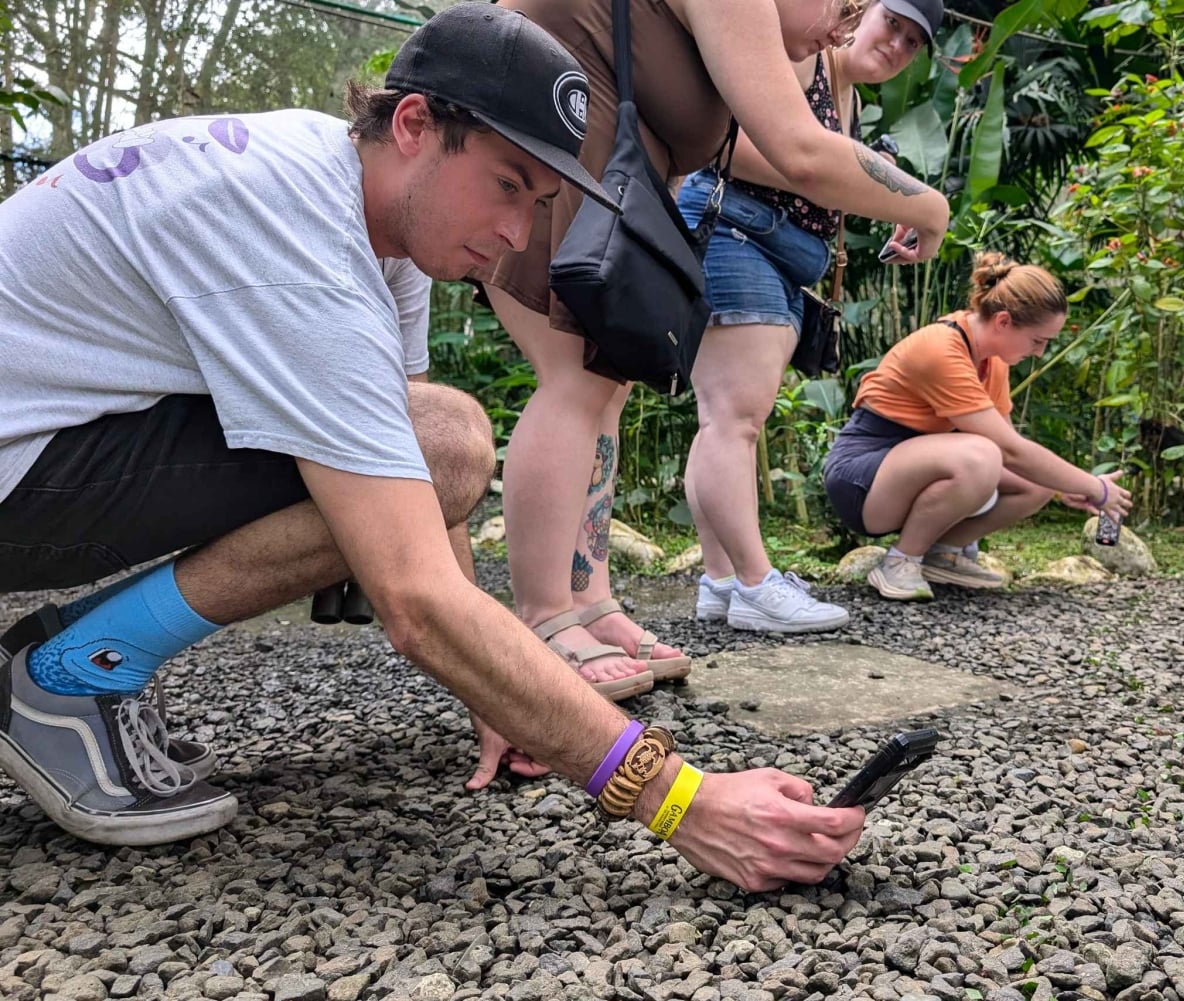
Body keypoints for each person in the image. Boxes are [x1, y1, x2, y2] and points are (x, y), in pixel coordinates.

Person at [0, 5, 863, 892]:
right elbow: (413, 596)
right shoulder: (292, 231)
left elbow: (423, 473)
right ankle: (70, 671)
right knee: (438, 446)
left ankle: (87, 652)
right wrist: (681, 799)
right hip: (18, 469)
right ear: (415, 124)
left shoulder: (369, 212)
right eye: (507, 184)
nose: (518, 235)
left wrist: (494, 685)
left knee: (445, 438)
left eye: (538, 203)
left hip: (62, 440)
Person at [464, 0, 952, 784]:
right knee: (575, 381)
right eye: (844, 7)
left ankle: (588, 599)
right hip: (543, 152)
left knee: (604, 388)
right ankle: (544, 614)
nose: (842, 30)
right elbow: (796, 149)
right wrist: (928, 202)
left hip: (596, 167)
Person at [676, 0, 941, 634]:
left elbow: (821, 169)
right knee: (733, 419)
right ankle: (755, 583)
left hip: (776, 252)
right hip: (736, 230)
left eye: (912, 42)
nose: (896, 44)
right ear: (858, 13)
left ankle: (722, 580)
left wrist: (858, 180)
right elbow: (726, 143)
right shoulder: (801, 58)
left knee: (723, 420)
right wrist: (843, 178)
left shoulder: (850, 100)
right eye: (891, 23)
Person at [822, 253, 1134, 600]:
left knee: (1037, 483)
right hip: (862, 481)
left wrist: (1064, 488)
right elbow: (1008, 451)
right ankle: (900, 562)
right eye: (1037, 340)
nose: (1040, 353)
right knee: (983, 455)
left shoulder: (992, 361)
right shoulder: (940, 348)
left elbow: (1013, 448)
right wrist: (1095, 487)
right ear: (1003, 321)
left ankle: (942, 554)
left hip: (910, 470)